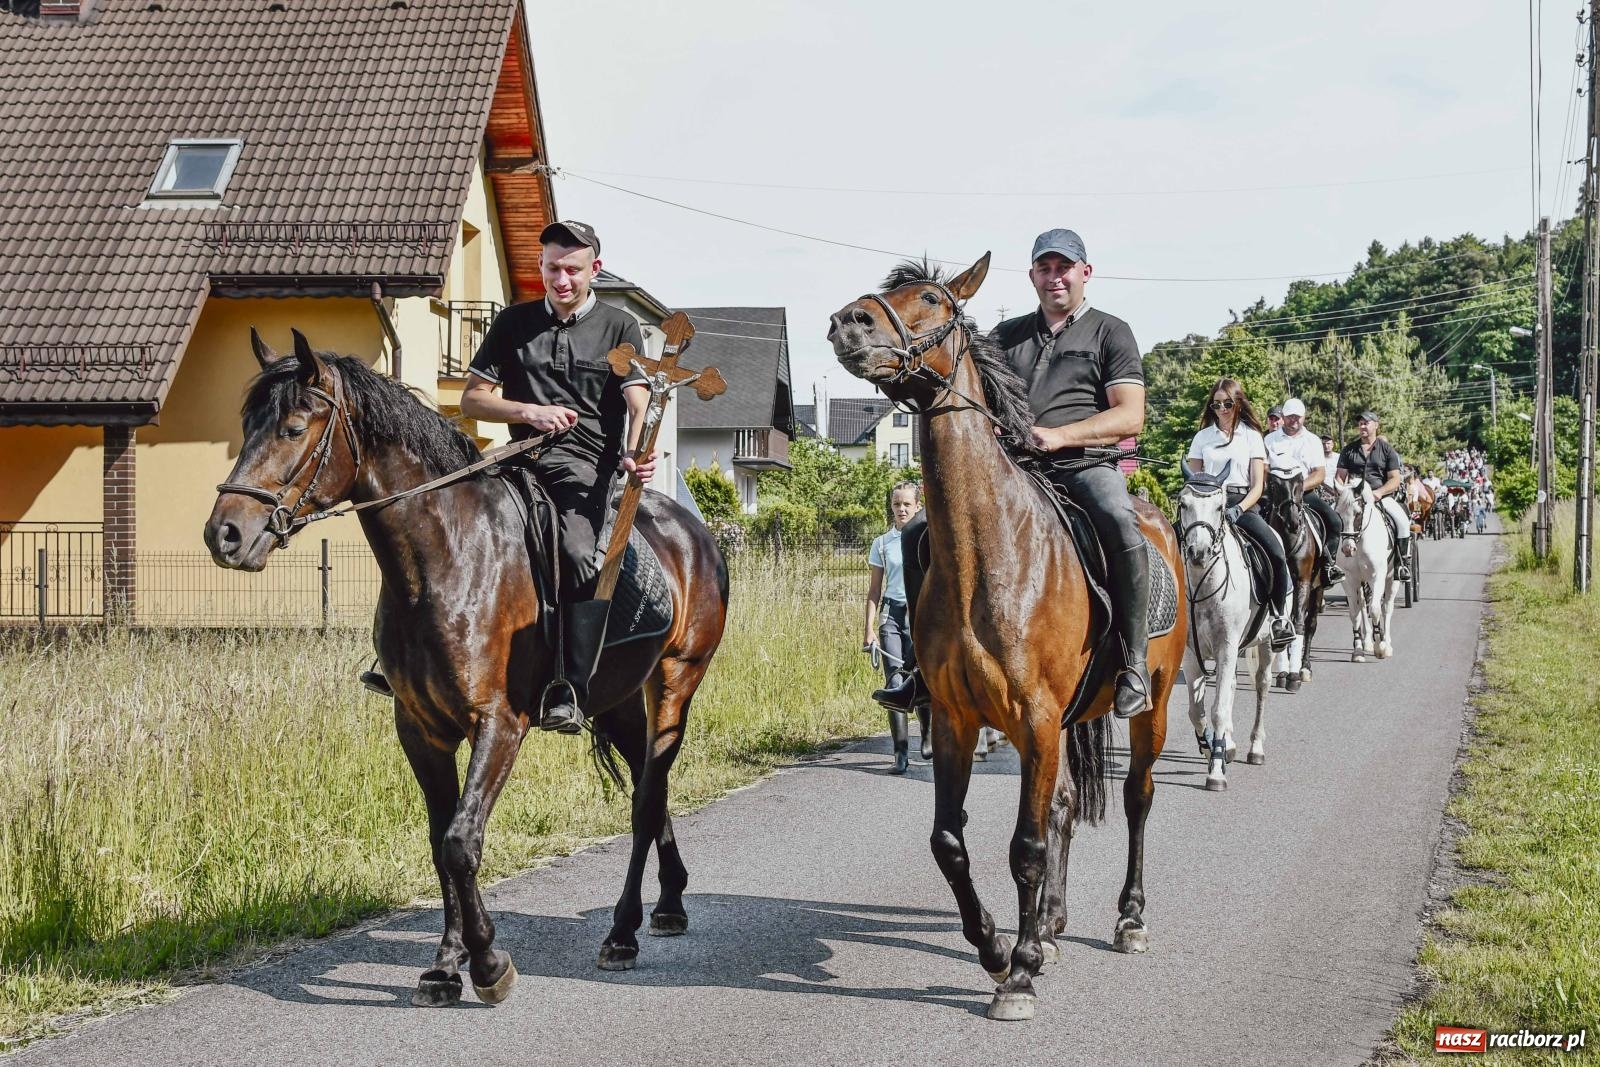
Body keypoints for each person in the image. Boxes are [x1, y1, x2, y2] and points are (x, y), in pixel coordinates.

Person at [363, 220, 656, 733]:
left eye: (572, 270)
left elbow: (637, 399)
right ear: (540, 267)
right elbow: (474, 399)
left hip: (587, 468)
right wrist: (529, 411)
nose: (561, 280)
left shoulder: (619, 326)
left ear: (594, 269)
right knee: (439, 525)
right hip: (518, 458)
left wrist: (634, 451)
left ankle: (568, 684)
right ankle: (407, 660)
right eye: (552, 268)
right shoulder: (513, 322)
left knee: (575, 552)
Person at [1186, 379, 1296, 651]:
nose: (1221, 409)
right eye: (1216, 404)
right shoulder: (1202, 438)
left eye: (1227, 403)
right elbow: (1193, 480)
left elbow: (1258, 485)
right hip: (1207, 506)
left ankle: (1279, 617)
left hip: (1240, 502)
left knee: (1275, 552)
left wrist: (1238, 508)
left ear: (1238, 404)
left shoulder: (1252, 436)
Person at [865, 481, 930, 774]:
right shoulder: (882, 543)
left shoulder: (927, 539)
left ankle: (927, 735)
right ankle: (900, 753)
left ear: (918, 506)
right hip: (892, 614)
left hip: (921, 617)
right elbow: (874, 591)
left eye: (907, 504)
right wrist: (869, 629)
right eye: (896, 504)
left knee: (923, 676)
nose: (901, 509)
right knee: (894, 680)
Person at [1264, 398, 1344, 584]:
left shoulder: (1313, 440)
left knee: (1335, 522)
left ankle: (1328, 565)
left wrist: (1298, 488)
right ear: (1284, 417)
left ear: (1304, 417)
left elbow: (1319, 473)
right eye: (1290, 416)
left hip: (1305, 493)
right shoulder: (1270, 439)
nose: (1294, 420)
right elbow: (1265, 469)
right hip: (1276, 495)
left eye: (1297, 416)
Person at [1335, 411, 1411, 582]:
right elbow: (1340, 476)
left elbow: (1395, 479)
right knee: (1332, 520)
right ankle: (1332, 564)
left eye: (1366, 423)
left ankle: (1401, 564)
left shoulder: (1387, 450)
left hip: (1380, 496)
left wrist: (1380, 492)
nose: (1362, 426)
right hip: (1354, 498)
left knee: (1403, 522)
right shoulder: (1348, 450)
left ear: (1376, 425)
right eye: (1360, 423)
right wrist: (1342, 492)